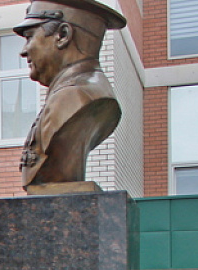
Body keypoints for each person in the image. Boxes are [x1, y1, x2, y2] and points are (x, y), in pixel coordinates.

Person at [14, 0, 126, 191]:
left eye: (30, 36)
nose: (23, 51)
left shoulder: (78, 96)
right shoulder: (70, 94)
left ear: (63, 35)